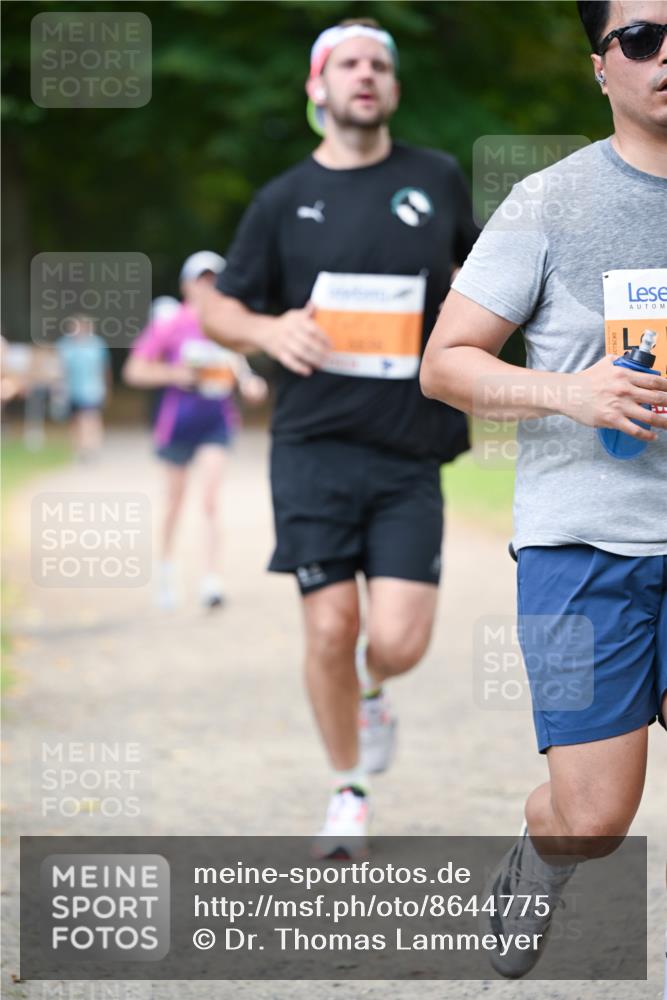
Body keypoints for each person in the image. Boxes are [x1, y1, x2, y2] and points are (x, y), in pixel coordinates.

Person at [420, 0, 666, 978]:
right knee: (594, 818)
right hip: (582, 542)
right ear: (600, 65)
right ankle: (540, 852)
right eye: (642, 38)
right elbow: (444, 363)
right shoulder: (548, 202)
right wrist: (571, 391)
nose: (665, 55)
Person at [200, 18, 478, 856]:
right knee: (327, 628)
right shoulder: (281, 199)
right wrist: (266, 330)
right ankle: (347, 788)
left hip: (408, 449)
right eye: (348, 63)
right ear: (316, 88)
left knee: (396, 642)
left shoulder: (435, 177)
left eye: (378, 64)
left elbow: (478, 279)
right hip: (312, 448)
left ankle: (373, 689)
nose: (365, 74)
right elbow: (218, 306)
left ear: (392, 87)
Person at [123, 252, 267, 611]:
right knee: (175, 502)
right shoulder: (170, 324)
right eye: (201, 280)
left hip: (217, 423)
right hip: (177, 424)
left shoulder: (227, 325)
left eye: (214, 280)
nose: (207, 287)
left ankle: (211, 580)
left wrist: (252, 386)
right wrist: (175, 375)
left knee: (210, 499)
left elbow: (242, 371)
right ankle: (166, 571)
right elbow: (135, 370)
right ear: (186, 286)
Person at [56, 315, 111, 461]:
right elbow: (57, 368)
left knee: (90, 419)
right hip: (70, 391)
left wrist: (107, 388)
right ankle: (78, 449)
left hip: (92, 390)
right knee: (74, 422)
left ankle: (92, 448)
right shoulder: (64, 345)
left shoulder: (97, 345)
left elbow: (105, 369)